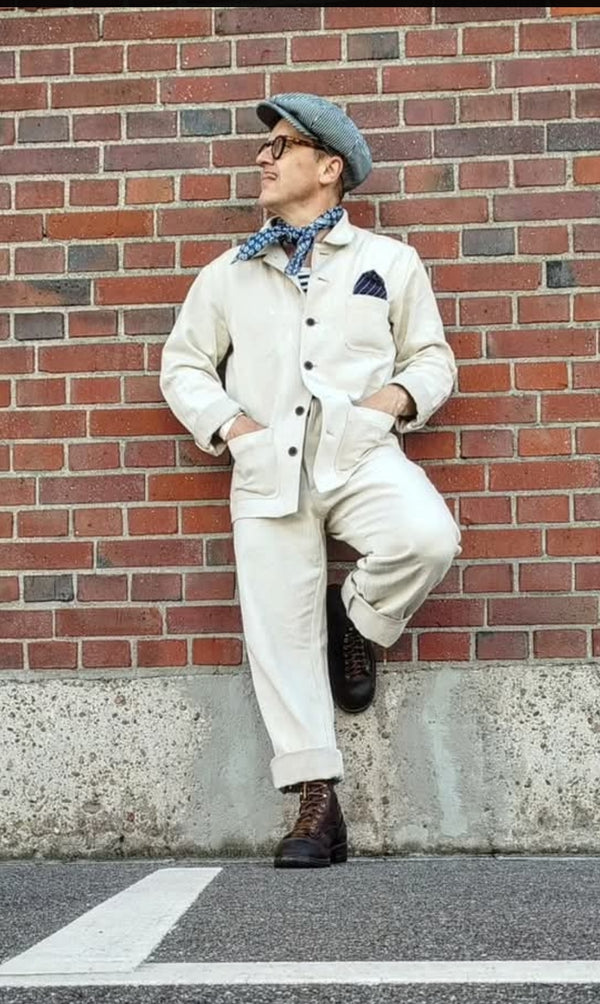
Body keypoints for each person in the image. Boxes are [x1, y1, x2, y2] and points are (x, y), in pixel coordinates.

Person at [160, 93, 461, 869]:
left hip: (360, 454)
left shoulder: (389, 263)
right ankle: (317, 805)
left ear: (329, 168)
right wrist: (235, 429)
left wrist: (387, 406)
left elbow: (431, 358)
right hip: (269, 467)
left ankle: (358, 619)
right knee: (280, 632)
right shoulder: (229, 274)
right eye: (265, 148)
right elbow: (183, 365)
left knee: (426, 537)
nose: (263, 158)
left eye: (281, 146)